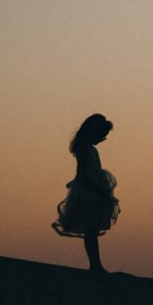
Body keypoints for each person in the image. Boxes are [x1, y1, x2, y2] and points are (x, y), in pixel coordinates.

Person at [52, 114, 120, 272]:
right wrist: (97, 190)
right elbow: (82, 173)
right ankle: (95, 265)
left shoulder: (91, 149)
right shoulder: (83, 148)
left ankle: (96, 264)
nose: (103, 138)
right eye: (102, 135)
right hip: (88, 191)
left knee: (93, 230)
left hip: (94, 189)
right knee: (91, 230)